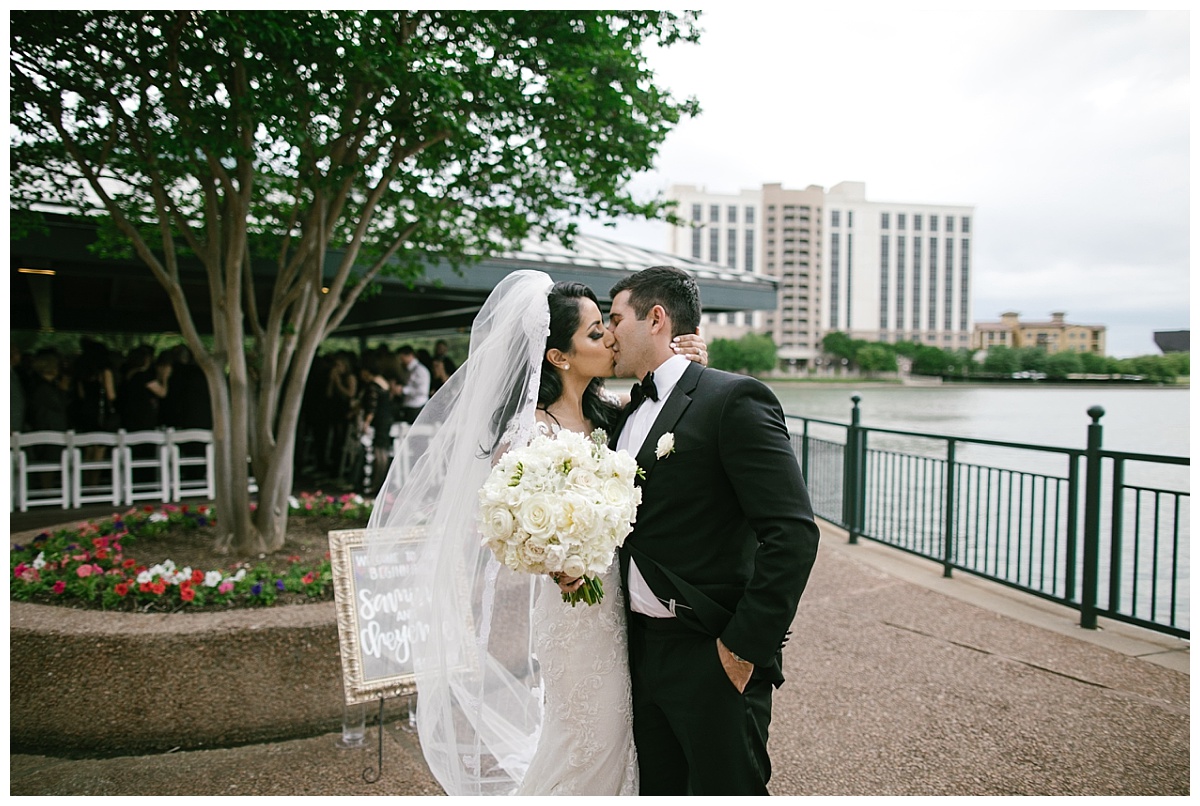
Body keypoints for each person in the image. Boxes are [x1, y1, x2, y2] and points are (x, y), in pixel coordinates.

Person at [362, 271, 708, 796]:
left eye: (609, 327)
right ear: (557, 356)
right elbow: (509, 521)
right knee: (590, 735)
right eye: (597, 333)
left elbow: (672, 417)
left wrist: (692, 365)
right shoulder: (530, 434)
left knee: (622, 734)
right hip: (577, 610)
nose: (611, 338)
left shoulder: (613, 413)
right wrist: (558, 559)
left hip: (628, 602)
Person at [574, 265, 819, 795]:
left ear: (656, 319)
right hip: (637, 651)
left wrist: (740, 650)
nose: (609, 332)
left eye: (615, 318)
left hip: (710, 652)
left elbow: (793, 533)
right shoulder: (621, 416)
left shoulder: (734, 400)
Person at [393, 344, 430, 424]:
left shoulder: (420, 370)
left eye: (402, 358)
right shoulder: (407, 370)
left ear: (410, 355)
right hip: (408, 406)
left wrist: (403, 390)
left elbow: (422, 391)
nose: (400, 361)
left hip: (417, 406)